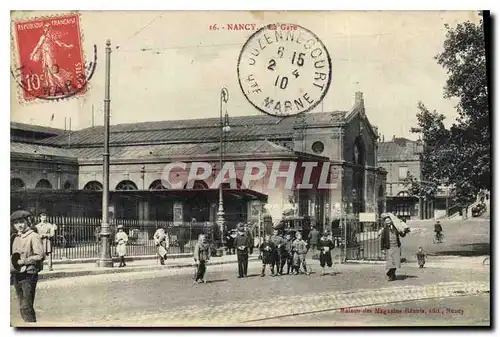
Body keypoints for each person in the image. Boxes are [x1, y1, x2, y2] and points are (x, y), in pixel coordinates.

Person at [11, 210, 45, 323]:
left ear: (27, 222)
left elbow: (40, 255)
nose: (19, 225)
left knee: (26, 306)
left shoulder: (33, 236)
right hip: (17, 274)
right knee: (21, 305)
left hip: (29, 274)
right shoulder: (15, 237)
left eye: (21, 222)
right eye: (16, 223)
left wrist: (24, 261)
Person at [380, 216, 408, 281]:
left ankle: (391, 274)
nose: (388, 222)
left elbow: (402, 235)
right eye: (386, 221)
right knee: (391, 262)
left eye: (389, 221)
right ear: (385, 222)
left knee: (396, 262)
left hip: (396, 247)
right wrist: (382, 248)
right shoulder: (384, 229)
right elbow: (382, 239)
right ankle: (391, 276)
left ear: (391, 221)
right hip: (389, 247)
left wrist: (405, 231)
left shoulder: (396, 228)